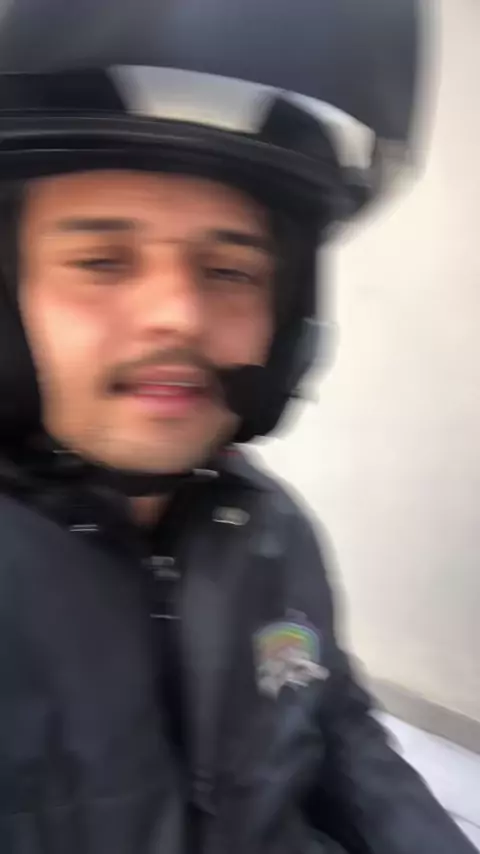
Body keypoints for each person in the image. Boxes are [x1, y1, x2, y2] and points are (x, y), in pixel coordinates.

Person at [0, 1, 475, 853]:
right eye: (101, 262)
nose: (179, 315)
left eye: (229, 270)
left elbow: (338, 733)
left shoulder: (269, 531)